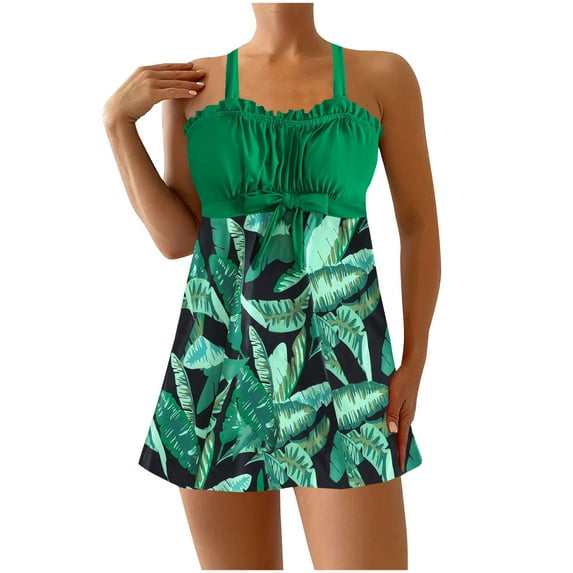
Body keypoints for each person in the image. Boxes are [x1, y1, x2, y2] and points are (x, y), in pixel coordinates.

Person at [103, 3, 440, 570]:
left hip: (344, 365)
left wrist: (415, 360)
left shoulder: (383, 75)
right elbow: (176, 239)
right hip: (219, 364)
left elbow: (418, 225)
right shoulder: (195, 84)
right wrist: (118, 124)